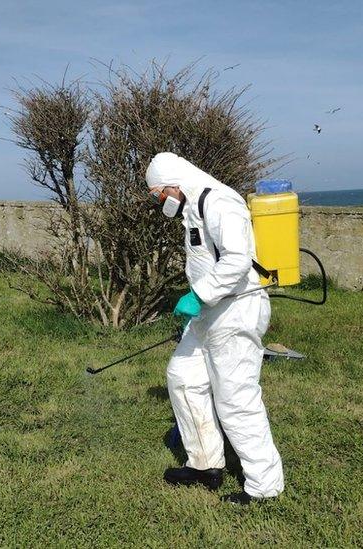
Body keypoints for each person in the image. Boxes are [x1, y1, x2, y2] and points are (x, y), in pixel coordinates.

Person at [145, 152, 283, 505]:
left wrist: (197, 295)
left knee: (235, 398)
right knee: (183, 377)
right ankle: (205, 466)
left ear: (173, 184)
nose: (160, 202)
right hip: (208, 312)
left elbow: (237, 260)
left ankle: (264, 486)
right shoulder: (192, 207)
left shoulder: (218, 201)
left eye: (159, 195)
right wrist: (197, 305)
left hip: (237, 310)